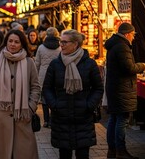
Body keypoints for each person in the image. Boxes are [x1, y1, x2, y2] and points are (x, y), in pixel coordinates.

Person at [43, 29, 104, 159]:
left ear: (75, 44)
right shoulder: (55, 64)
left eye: (64, 42)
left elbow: (98, 88)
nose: (61, 45)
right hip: (61, 117)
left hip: (83, 117)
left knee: (83, 154)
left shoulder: (89, 64)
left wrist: (89, 105)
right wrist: (55, 105)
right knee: (64, 154)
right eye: (61, 41)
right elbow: (47, 88)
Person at [0, 29, 41, 159]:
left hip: (23, 116)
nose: (13, 44)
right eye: (10, 41)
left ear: (22, 44)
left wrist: (31, 107)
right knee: (3, 153)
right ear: (5, 42)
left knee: (24, 153)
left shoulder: (29, 62)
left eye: (16, 42)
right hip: (2, 117)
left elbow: (35, 87)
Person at [104, 22, 145, 159]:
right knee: (122, 119)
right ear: (128, 34)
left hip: (115, 87)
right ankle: (120, 151)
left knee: (114, 118)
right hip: (122, 89)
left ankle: (112, 150)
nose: (133, 38)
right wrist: (142, 66)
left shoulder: (114, 45)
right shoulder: (122, 47)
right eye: (133, 35)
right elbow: (129, 68)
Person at [34, 27, 61, 128]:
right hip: (57, 74)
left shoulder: (41, 47)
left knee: (45, 98)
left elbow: (37, 63)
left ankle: (46, 120)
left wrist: (35, 75)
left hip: (43, 74)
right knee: (55, 96)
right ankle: (53, 118)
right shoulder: (60, 47)